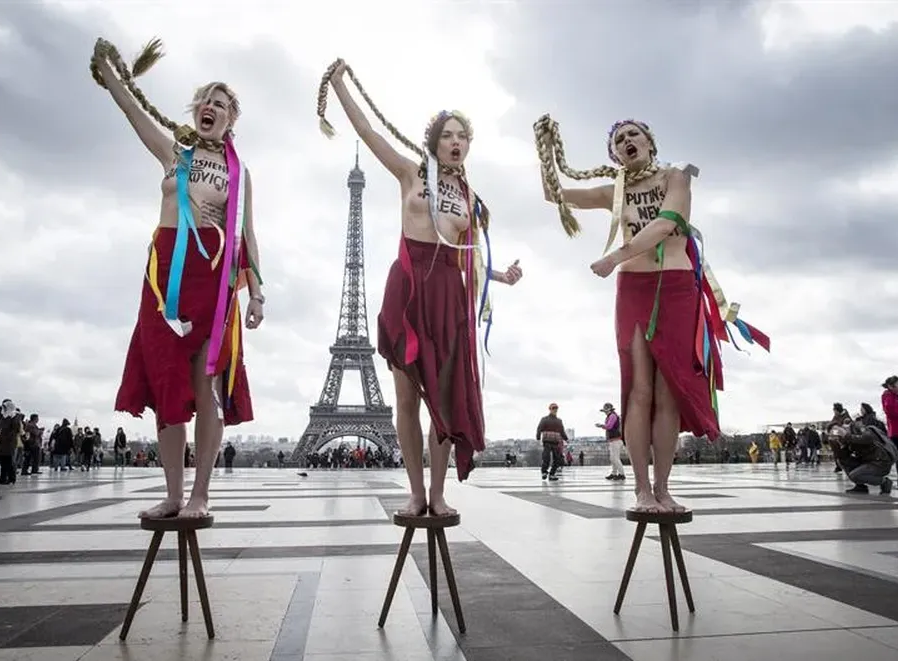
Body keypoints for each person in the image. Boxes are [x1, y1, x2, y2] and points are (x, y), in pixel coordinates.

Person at [318, 59, 524, 516]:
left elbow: (467, 254)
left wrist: (499, 277)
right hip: (409, 288)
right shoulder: (412, 173)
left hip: (449, 294)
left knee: (444, 399)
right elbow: (370, 133)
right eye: (448, 134)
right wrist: (339, 88)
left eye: (462, 136)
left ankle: (437, 493)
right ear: (434, 141)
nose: (456, 142)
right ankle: (415, 492)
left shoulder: (472, 199)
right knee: (406, 398)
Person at [534, 115, 769, 513]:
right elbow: (554, 196)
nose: (627, 141)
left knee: (668, 392)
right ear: (614, 154)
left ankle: (663, 487)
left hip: (676, 287)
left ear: (649, 143)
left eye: (634, 135)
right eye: (619, 139)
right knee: (639, 389)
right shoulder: (615, 190)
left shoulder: (676, 177)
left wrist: (615, 256)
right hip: (634, 290)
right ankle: (641, 489)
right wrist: (544, 154)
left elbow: (668, 222)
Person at [91, 38, 265, 518]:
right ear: (196, 111)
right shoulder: (175, 152)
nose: (212, 107)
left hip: (211, 275)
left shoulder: (238, 172)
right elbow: (133, 113)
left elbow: (246, 231)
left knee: (207, 384)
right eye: (206, 101)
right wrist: (110, 75)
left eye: (223, 104)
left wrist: (257, 293)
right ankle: (172, 494)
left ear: (232, 119)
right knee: (166, 382)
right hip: (163, 276)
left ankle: (200, 494)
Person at [826, 420, 896, 494]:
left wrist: (846, 435)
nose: (836, 432)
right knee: (842, 461)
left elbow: (868, 437)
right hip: (868, 461)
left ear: (842, 426)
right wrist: (835, 444)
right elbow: (843, 457)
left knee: (854, 475)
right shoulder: (843, 439)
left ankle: (884, 482)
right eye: (833, 432)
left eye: (836, 429)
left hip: (880, 461)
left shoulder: (857, 426)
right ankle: (860, 486)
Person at [536, 403, 568, 481]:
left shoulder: (559, 421)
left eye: (556, 408)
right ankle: (544, 472)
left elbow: (562, 431)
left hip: (555, 442)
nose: (555, 410)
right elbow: (539, 428)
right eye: (553, 408)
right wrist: (538, 437)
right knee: (546, 457)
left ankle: (552, 474)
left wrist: (566, 438)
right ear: (550, 409)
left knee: (557, 459)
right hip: (547, 441)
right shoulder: (545, 419)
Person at [597, 402, 625, 480]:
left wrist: (601, 426)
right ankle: (614, 473)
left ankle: (622, 474)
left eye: (605, 410)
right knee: (613, 458)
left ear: (608, 410)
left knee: (615, 458)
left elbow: (609, 426)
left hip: (615, 440)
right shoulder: (611, 415)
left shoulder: (612, 416)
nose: (604, 412)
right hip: (613, 439)